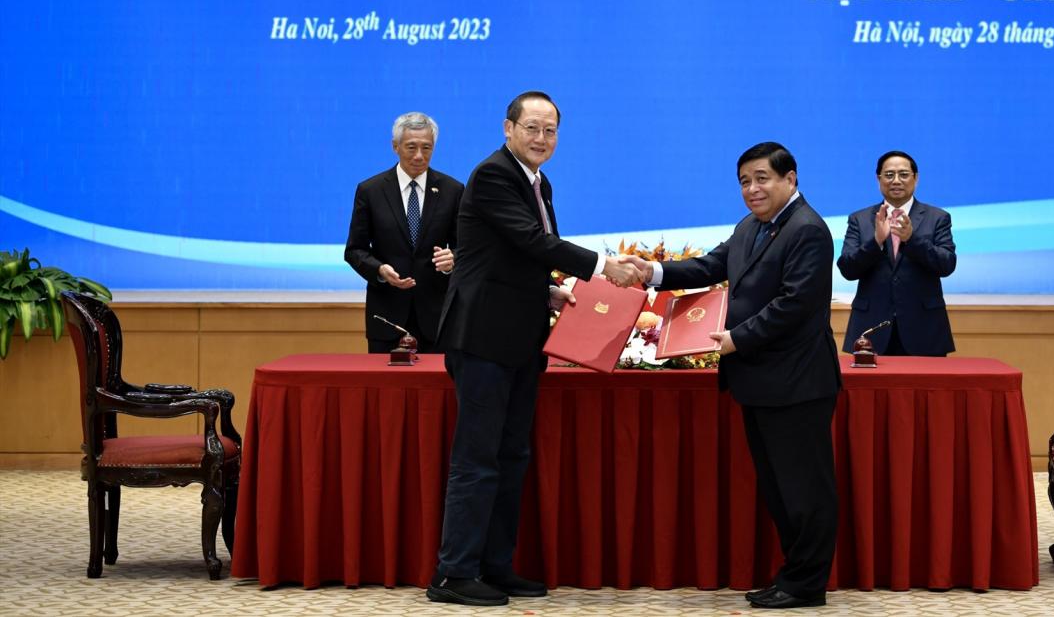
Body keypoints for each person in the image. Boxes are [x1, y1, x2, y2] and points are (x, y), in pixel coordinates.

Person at [428, 91, 642, 607]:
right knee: (478, 459)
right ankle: (454, 574)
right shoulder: (495, 174)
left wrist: (548, 290)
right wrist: (602, 267)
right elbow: (531, 241)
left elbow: (510, 256)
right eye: (532, 128)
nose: (541, 138)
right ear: (508, 129)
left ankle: (495, 566)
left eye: (550, 130)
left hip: (521, 336)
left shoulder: (539, 181)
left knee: (511, 455)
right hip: (482, 337)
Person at [621, 142, 840, 609]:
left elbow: (794, 305)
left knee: (804, 488)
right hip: (761, 382)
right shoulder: (751, 227)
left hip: (797, 383)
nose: (752, 189)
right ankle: (794, 575)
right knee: (780, 487)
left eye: (761, 178)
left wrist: (735, 339)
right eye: (744, 181)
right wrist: (653, 271)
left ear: (790, 179)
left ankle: (807, 583)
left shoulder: (809, 231)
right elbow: (710, 266)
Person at [345, 112, 463, 353]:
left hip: (437, 318)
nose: (419, 156)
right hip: (387, 314)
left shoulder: (453, 190)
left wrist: (453, 260)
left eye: (426, 148)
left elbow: (468, 247)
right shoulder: (371, 190)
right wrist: (379, 270)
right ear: (395, 146)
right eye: (411, 147)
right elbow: (355, 250)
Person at [837, 150, 957, 356]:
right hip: (872, 329)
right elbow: (847, 268)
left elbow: (946, 265)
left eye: (903, 174)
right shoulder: (861, 219)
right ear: (879, 179)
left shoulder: (938, 217)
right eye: (889, 174)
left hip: (924, 329)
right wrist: (876, 242)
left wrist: (912, 239)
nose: (896, 180)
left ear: (916, 178)